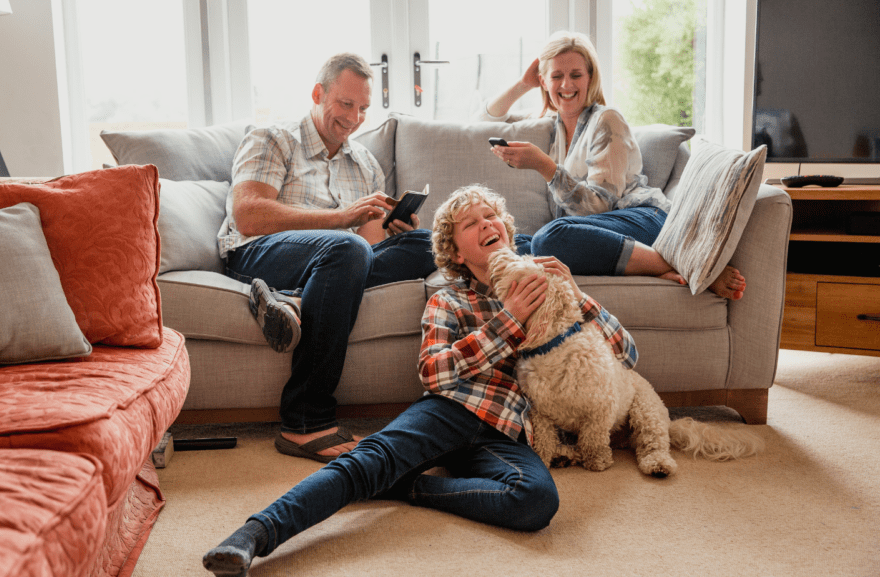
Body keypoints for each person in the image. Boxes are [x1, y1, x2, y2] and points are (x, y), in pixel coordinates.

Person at [202, 184, 639, 577]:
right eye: (471, 223)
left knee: (536, 501)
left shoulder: (547, 287)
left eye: (491, 217)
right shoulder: (447, 300)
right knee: (362, 464)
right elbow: (433, 372)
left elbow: (627, 354)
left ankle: (412, 486)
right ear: (457, 253)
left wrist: (579, 297)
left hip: (506, 430)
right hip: (447, 412)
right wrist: (508, 323)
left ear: (506, 230)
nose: (486, 223)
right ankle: (253, 536)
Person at [218, 53, 437, 462]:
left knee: (427, 243)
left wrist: (393, 232)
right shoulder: (273, 137)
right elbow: (248, 215)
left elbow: (367, 252)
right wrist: (341, 219)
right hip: (257, 251)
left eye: (364, 108)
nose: (355, 118)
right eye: (346, 104)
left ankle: (296, 298)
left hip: (337, 262)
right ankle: (304, 420)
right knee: (346, 247)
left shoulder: (365, 162)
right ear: (319, 94)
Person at [479, 31, 746, 300]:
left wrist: (544, 166)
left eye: (576, 74)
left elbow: (599, 205)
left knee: (550, 237)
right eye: (556, 76)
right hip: (592, 234)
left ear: (590, 78)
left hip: (641, 218)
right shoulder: (551, 125)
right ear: (544, 82)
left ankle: (689, 264)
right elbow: (484, 120)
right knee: (507, 247)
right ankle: (650, 267)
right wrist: (524, 84)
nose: (566, 84)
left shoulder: (606, 120)